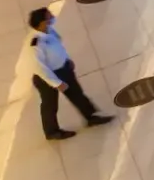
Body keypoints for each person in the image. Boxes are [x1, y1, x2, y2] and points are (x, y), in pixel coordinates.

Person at [24, 8, 113, 140]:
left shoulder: (49, 30)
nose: (52, 18)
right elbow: (40, 68)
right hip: (47, 77)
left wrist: (66, 59)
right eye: (49, 17)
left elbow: (58, 46)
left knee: (77, 94)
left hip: (63, 69)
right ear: (41, 23)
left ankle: (91, 117)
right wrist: (57, 83)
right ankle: (52, 132)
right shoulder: (35, 43)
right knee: (50, 104)